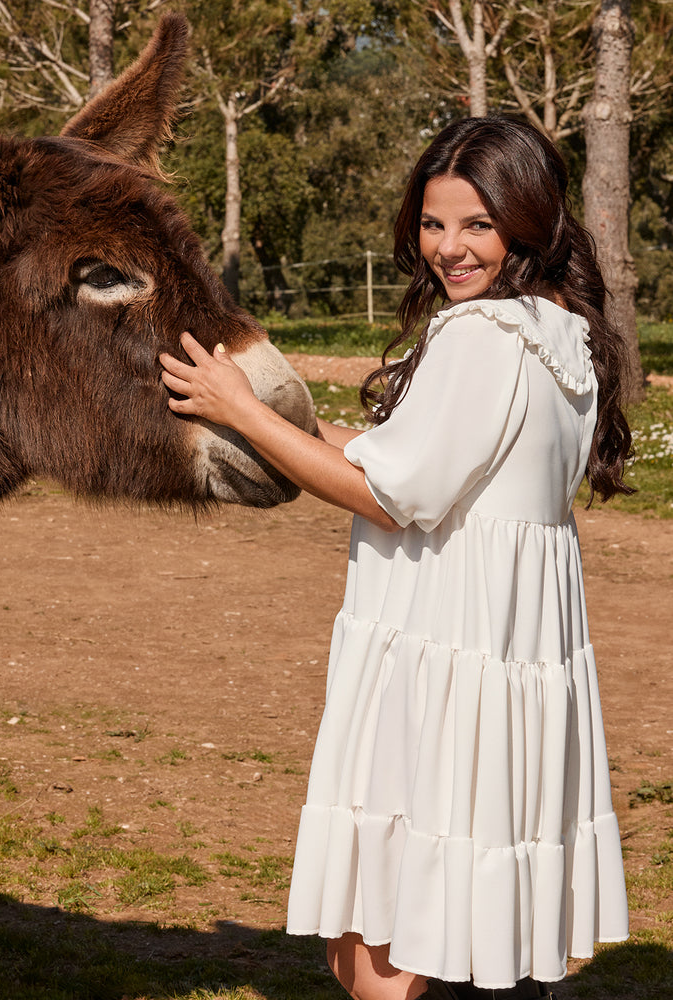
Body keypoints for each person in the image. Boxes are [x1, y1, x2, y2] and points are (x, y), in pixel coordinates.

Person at [159, 116, 633, 1000]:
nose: (448, 249)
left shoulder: (482, 338)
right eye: (432, 223)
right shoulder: (561, 329)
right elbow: (401, 454)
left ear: (527, 219)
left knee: (376, 940)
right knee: (468, 906)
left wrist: (238, 411)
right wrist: (278, 415)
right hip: (507, 648)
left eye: (477, 225)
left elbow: (387, 493)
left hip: (444, 643)